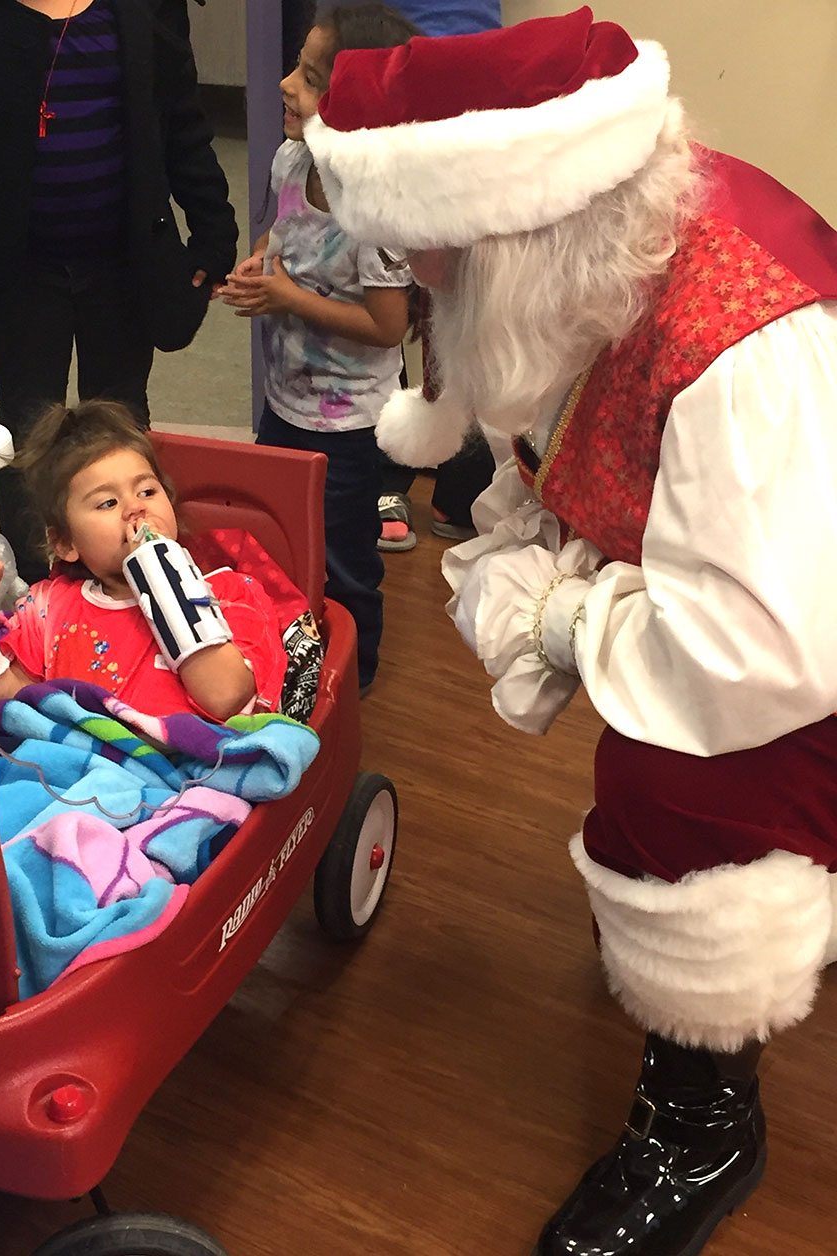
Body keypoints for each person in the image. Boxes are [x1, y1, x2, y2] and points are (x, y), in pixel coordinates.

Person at [305, 8, 837, 1256]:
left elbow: (760, 650)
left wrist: (556, 615)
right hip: (768, 587)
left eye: (431, 256)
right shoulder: (593, 243)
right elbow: (569, 438)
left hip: (798, 640)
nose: (416, 281)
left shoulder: (740, 341)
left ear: (512, 222)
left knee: (676, 788)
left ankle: (704, 1118)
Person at [0, 0, 238, 585]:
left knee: (122, 422)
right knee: (27, 431)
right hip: (21, 272)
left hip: (123, 266)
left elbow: (180, 120)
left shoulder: (143, 11)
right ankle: (39, 586)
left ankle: (135, 574)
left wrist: (212, 228)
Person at [218, 2, 418, 694]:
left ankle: (351, 682)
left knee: (343, 560)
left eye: (307, 78)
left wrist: (286, 299)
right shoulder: (290, 159)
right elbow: (282, 233)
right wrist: (257, 262)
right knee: (283, 544)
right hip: (285, 404)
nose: (284, 86)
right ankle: (295, 659)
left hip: (351, 428)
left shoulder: (376, 207)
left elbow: (388, 326)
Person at [0, 401, 289, 724]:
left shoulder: (231, 595)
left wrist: (160, 571)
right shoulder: (50, 607)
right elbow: (6, 703)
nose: (136, 508)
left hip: (183, 778)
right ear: (65, 543)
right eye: (107, 503)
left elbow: (225, 697)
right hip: (76, 771)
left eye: (147, 491)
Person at [375, 0, 500, 553]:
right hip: (381, 82)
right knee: (390, 290)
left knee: (473, 305)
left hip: (470, 99)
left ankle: (463, 484)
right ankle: (390, 477)